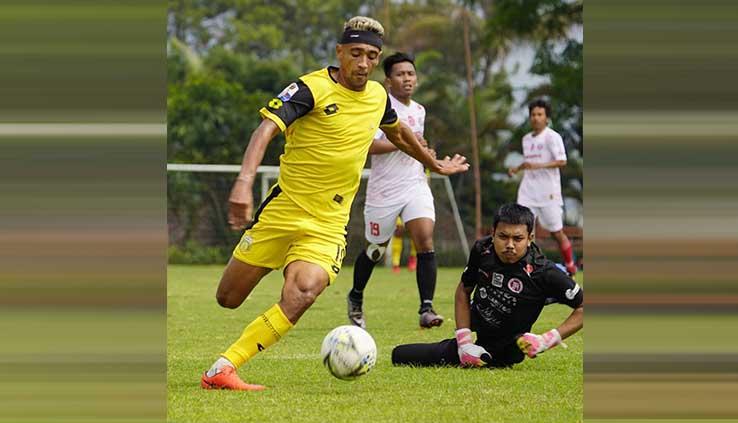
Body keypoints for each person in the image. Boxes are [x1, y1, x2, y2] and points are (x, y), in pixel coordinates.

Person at [200, 16, 469, 391]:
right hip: (283, 211)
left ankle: (224, 368)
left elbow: (401, 134)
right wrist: (244, 182)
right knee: (227, 298)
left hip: (327, 224)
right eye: (355, 53)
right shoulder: (311, 88)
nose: (363, 63)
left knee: (304, 291)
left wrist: (433, 163)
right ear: (340, 52)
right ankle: (274, 264)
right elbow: (265, 129)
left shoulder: (378, 97)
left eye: (371, 56)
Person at [391, 203, 582, 368]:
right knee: (399, 355)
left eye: (518, 239)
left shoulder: (544, 272)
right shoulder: (482, 250)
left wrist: (546, 340)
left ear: (530, 238)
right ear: (492, 234)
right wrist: (464, 343)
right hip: (478, 320)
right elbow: (464, 290)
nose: (509, 245)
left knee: (499, 357)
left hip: (508, 345)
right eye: (503, 236)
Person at [347, 52, 444, 330]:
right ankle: (355, 297)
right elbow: (369, 147)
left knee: (425, 239)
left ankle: (426, 309)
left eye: (411, 74)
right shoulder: (379, 106)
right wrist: (404, 142)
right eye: (400, 74)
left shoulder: (419, 111)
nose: (407, 79)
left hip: (415, 184)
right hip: (384, 190)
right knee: (375, 251)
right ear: (388, 80)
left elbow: (417, 149)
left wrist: (425, 152)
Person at [509, 99, 577, 275]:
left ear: (546, 118)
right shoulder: (526, 139)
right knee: (522, 228)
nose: (536, 118)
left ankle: (570, 265)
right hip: (528, 191)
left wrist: (539, 166)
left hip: (548, 193)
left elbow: (562, 161)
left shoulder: (552, 137)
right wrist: (516, 169)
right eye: (533, 114)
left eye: (540, 114)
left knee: (556, 232)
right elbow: (529, 162)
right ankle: (526, 266)